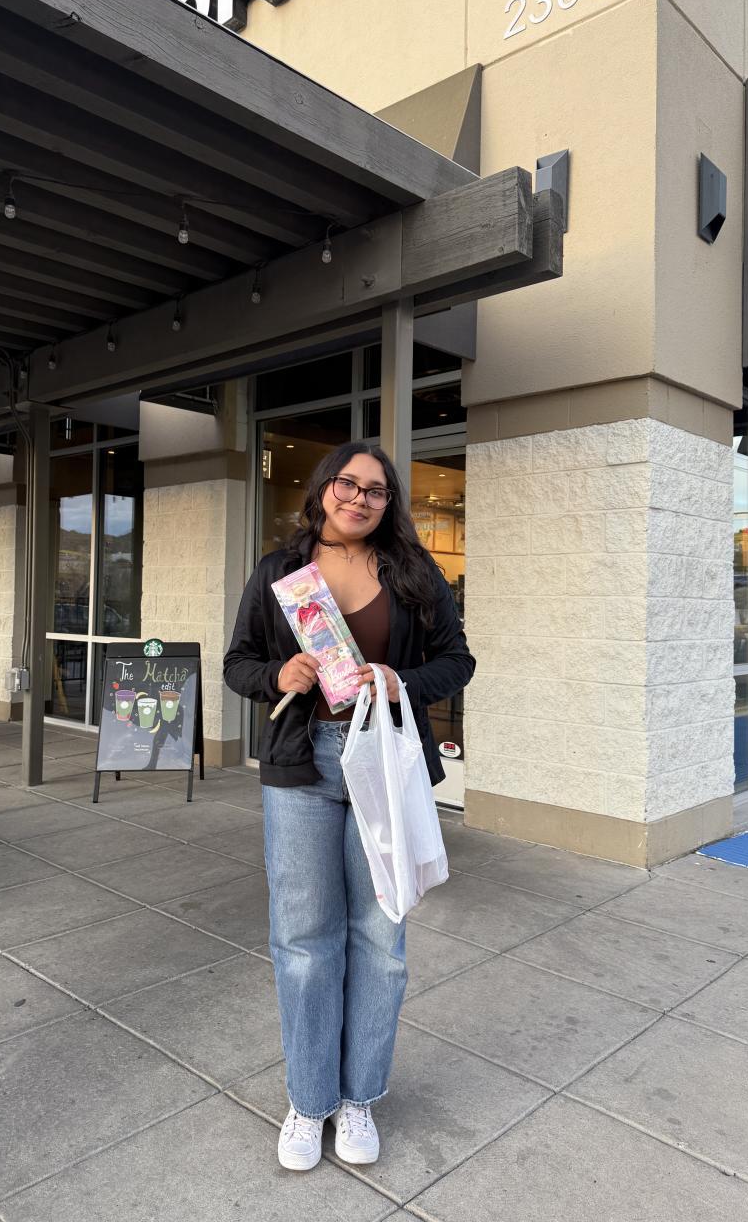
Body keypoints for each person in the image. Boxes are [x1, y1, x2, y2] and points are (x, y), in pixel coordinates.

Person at [223, 441, 475, 1172]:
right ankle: (310, 1101)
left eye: (376, 490)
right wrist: (279, 674)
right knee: (304, 940)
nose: (359, 498)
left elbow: (458, 661)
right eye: (348, 484)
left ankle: (359, 1096)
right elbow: (238, 663)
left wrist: (400, 681)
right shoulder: (280, 571)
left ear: (388, 504)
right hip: (302, 764)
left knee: (380, 939)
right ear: (324, 488)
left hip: (383, 763)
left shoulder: (414, 573)